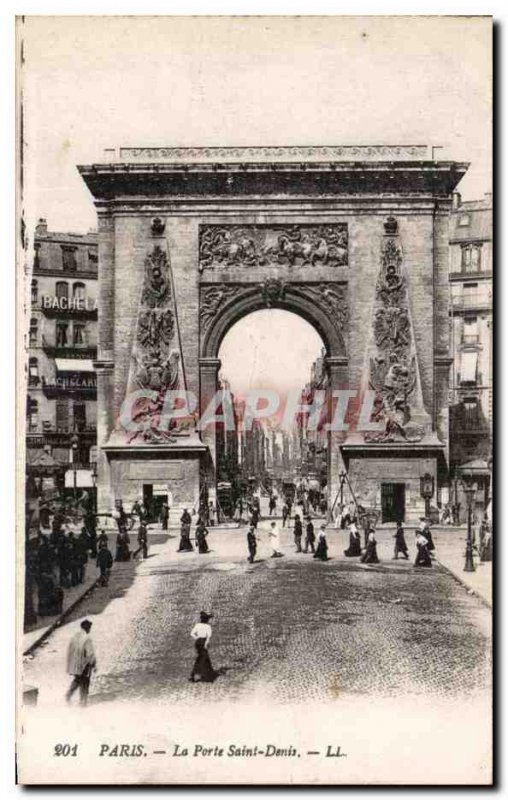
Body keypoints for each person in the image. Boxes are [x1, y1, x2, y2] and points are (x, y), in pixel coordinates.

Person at [65, 619, 97, 706]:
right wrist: (93, 664)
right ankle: (83, 702)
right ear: (87, 628)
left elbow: (70, 650)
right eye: (90, 627)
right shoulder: (87, 638)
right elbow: (90, 653)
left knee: (78, 679)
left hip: (75, 664)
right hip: (84, 665)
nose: (90, 629)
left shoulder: (75, 636)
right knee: (85, 682)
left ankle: (68, 694)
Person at [189, 611, 217, 683]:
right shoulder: (208, 626)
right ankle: (198, 674)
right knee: (203, 658)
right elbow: (208, 637)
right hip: (203, 642)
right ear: (207, 620)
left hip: (198, 642)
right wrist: (205, 644)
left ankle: (209, 674)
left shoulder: (197, 625)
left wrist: (197, 637)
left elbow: (192, 633)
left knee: (203, 657)